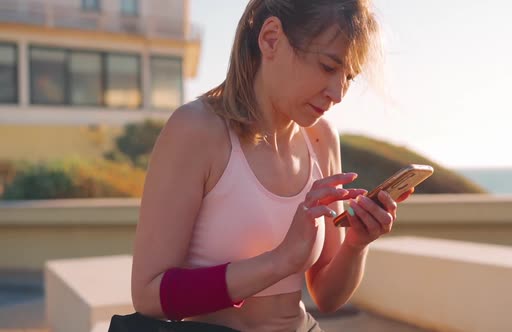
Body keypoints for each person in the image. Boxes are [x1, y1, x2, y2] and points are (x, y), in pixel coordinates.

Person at [130, 0, 413, 331]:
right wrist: (280, 261)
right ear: (271, 38)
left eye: (349, 76)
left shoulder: (322, 139)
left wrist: (356, 244)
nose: (338, 93)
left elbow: (327, 297)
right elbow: (149, 295)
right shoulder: (196, 129)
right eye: (328, 66)